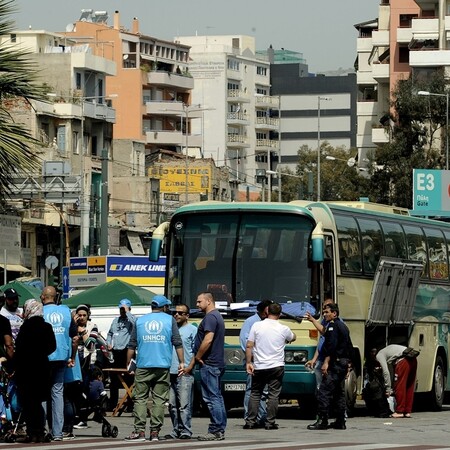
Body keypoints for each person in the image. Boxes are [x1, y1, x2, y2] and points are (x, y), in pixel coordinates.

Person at [125, 295, 184, 442]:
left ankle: (139, 431)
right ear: (164, 307)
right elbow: (177, 342)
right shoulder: (169, 320)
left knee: (140, 399)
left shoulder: (140, 321)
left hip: (143, 365)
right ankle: (155, 433)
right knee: (159, 400)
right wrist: (182, 362)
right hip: (162, 366)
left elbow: (131, 345)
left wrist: (129, 364)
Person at [244, 302, 296, 430]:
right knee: (273, 395)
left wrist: (248, 363)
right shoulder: (283, 328)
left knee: (255, 393)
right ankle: (270, 422)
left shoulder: (256, 326)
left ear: (267, 312)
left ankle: (250, 422)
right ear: (280, 314)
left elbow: (249, 345)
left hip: (259, 365)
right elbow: (293, 337)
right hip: (276, 366)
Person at [185, 292, 226, 441]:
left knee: (211, 398)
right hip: (216, 362)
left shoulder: (210, 317)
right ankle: (219, 429)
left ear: (209, 301)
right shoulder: (217, 316)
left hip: (209, 363)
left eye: (199, 301)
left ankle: (216, 430)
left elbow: (208, 340)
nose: (196, 305)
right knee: (217, 397)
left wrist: (198, 356)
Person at [14, 299, 56, 443]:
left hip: (26, 369)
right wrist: (41, 353)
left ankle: (32, 432)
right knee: (38, 402)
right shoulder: (47, 327)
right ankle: (40, 431)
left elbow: (18, 349)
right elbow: (52, 347)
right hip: (42, 368)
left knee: (28, 402)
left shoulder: (25, 327)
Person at [307, 303, 352, 431]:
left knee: (324, 392)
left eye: (327, 312)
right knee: (338, 393)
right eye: (324, 312)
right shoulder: (343, 326)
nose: (325, 314)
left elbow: (331, 346)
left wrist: (326, 362)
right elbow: (349, 346)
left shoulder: (333, 326)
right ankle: (340, 421)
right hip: (342, 363)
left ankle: (322, 420)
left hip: (335, 364)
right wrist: (348, 364)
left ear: (334, 313)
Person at [41, 285, 77, 441]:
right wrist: (72, 356)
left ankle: (41, 429)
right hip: (62, 356)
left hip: (44, 358)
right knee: (57, 394)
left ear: (43, 297)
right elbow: (74, 337)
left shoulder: (40, 312)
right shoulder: (66, 311)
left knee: (42, 393)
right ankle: (57, 433)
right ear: (56, 297)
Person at [166, 303, 197, 440]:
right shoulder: (171, 329)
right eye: (175, 312)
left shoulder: (192, 330)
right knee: (172, 405)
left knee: (184, 405)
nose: (176, 315)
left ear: (187, 316)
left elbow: (196, 351)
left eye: (180, 313)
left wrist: (190, 367)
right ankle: (175, 430)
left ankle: (186, 430)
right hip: (170, 371)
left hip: (184, 372)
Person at [239, 300, 272, 426]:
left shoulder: (267, 322)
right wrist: (253, 358)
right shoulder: (251, 321)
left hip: (264, 362)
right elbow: (245, 342)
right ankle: (249, 417)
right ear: (264, 310)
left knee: (263, 391)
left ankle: (261, 417)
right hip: (254, 362)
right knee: (252, 390)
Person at [106, 298, 136, 411]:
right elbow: (110, 333)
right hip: (116, 352)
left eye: (123, 309)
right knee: (114, 379)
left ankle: (131, 403)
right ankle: (113, 403)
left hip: (127, 352)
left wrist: (128, 312)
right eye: (121, 309)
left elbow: (136, 324)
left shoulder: (131, 320)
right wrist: (109, 343)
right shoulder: (115, 321)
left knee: (130, 378)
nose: (122, 311)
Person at [376, 344, 418, 418]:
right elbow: (391, 371)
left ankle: (400, 411)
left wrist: (388, 389)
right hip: (413, 359)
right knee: (409, 386)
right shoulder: (389, 351)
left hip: (403, 361)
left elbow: (386, 372)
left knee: (400, 386)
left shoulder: (379, 355)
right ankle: (407, 411)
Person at [305, 298, 334, 389]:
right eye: (323, 310)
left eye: (326, 311)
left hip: (329, 361)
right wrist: (314, 360)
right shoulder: (324, 321)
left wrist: (313, 320)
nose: (324, 314)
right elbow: (321, 341)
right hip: (321, 360)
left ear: (333, 311)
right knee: (320, 387)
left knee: (327, 388)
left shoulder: (335, 324)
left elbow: (326, 335)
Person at [362, 347, 392, 418]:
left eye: (375, 352)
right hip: (373, 382)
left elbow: (385, 373)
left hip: (378, 384)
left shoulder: (380, 359)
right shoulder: (369, 362)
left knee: (377, 393)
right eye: (372, 352)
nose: (373, 354)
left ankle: (381, 411)